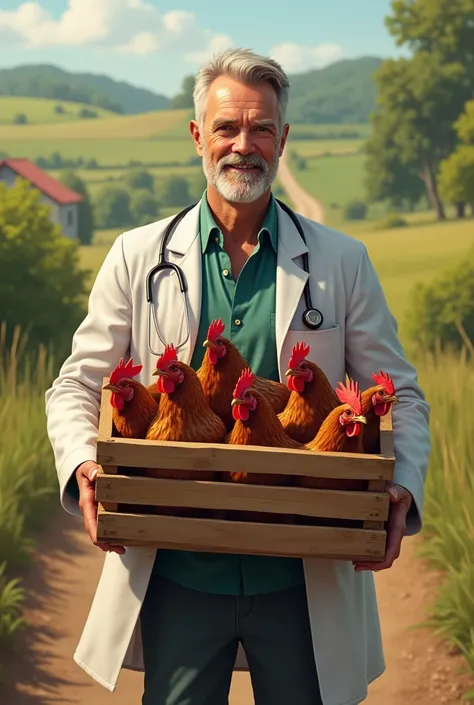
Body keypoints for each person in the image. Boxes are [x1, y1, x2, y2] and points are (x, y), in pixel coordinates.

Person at [45, 48, 431, 705]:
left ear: (282, 139)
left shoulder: (342, 261)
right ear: (198, 136)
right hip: (180, 569)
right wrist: (84, 465)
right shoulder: (137, 256)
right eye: (227, 128)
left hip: (302, 575)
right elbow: (77, 381)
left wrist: (400, 487)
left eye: (260, 129)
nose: (242, 146)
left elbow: (405, 394)